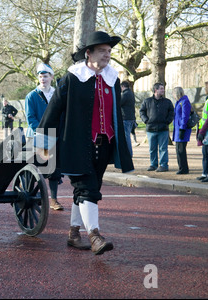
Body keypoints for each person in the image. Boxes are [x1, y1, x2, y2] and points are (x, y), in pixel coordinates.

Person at [36, 31, 134, 255]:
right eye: (102, 51)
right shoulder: (72, 77)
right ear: (88, 53)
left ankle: (73, 233)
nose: (107, 55)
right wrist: (42, 146)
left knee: (87, 190)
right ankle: (95, 236)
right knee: (87, 189)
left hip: (105, 143)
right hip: (77, 144)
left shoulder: (112, 78)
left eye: (109, 51)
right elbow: (53, 112)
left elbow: (115, 115)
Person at [25, 63, 64, 211]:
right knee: (37, 167)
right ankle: (30, 194)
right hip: (38, 137)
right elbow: (31, 118)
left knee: (54, 169)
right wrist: (43, 132)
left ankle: (53, 200)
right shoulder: (32, 96)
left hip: (55, 136)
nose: (43, 79)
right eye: (40, 76)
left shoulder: (57, 94)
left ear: (51, 77)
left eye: (45, 76)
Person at [139, 83, 174, 172]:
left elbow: (171, 112)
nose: (163, 90)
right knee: (152, 148)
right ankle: (153, 164)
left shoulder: (167, 102)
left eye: (163, 88)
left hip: (163, 128)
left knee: (163, 148)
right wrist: (146, 120)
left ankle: (163, 165)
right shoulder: (147, 101)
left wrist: (168, 121)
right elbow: (142, 111)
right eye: (161, 89)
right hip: (151, 129)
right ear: (156, 90)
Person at [171, 87, 192, 174]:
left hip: (182, 129)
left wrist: (182, 128)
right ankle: (181, 167)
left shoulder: (184, 102)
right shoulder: (179, 102)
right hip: (178, 128)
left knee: (181, 150)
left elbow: (185, 116)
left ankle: (184, 168)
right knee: (178, 150)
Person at [120, 81, 136, 156]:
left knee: (126, 137)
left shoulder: (125, 94)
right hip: (130, 117)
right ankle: (129, 153)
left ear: (122, 86)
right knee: (127, 135)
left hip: (125, 117)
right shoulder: (131, 93)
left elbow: (119, 103)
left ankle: (129, 153)